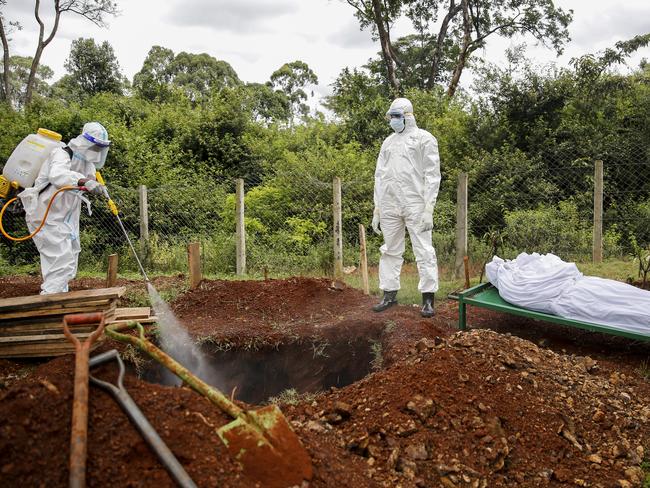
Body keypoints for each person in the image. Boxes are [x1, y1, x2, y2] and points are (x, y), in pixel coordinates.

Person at [19, 122, 111, 294]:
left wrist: (96, 185)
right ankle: (48, 304)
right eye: (96, 146)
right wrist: (84, 181)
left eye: (101, 148)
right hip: (46, 216)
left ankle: (59, 300)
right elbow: (58, 176)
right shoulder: (61, 153)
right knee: (60, 262)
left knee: (69, 263)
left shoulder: (87, 161)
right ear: (86, 142)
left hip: (67, 220)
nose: (98, 152)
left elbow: (90, 176)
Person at [371, 98, 441, 317]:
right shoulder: (388, 142)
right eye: (391, 117)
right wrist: (377, 208)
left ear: (408, 116)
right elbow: (380, 176)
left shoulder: (424, 139)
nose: (393, 120)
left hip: (415, 204)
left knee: (423, 250)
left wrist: (429, 208)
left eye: (397, 116)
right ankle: (389, 294)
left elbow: (432, 175)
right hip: (390, 203)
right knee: (390, 250)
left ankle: (428, 298)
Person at [486, 252, 650, 336]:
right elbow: (533, 294)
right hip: (568, 295)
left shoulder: (515, 275)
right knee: (610, 303)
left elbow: (550, 268)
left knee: (617, 293)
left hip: (576, 285)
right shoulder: (511, 283)